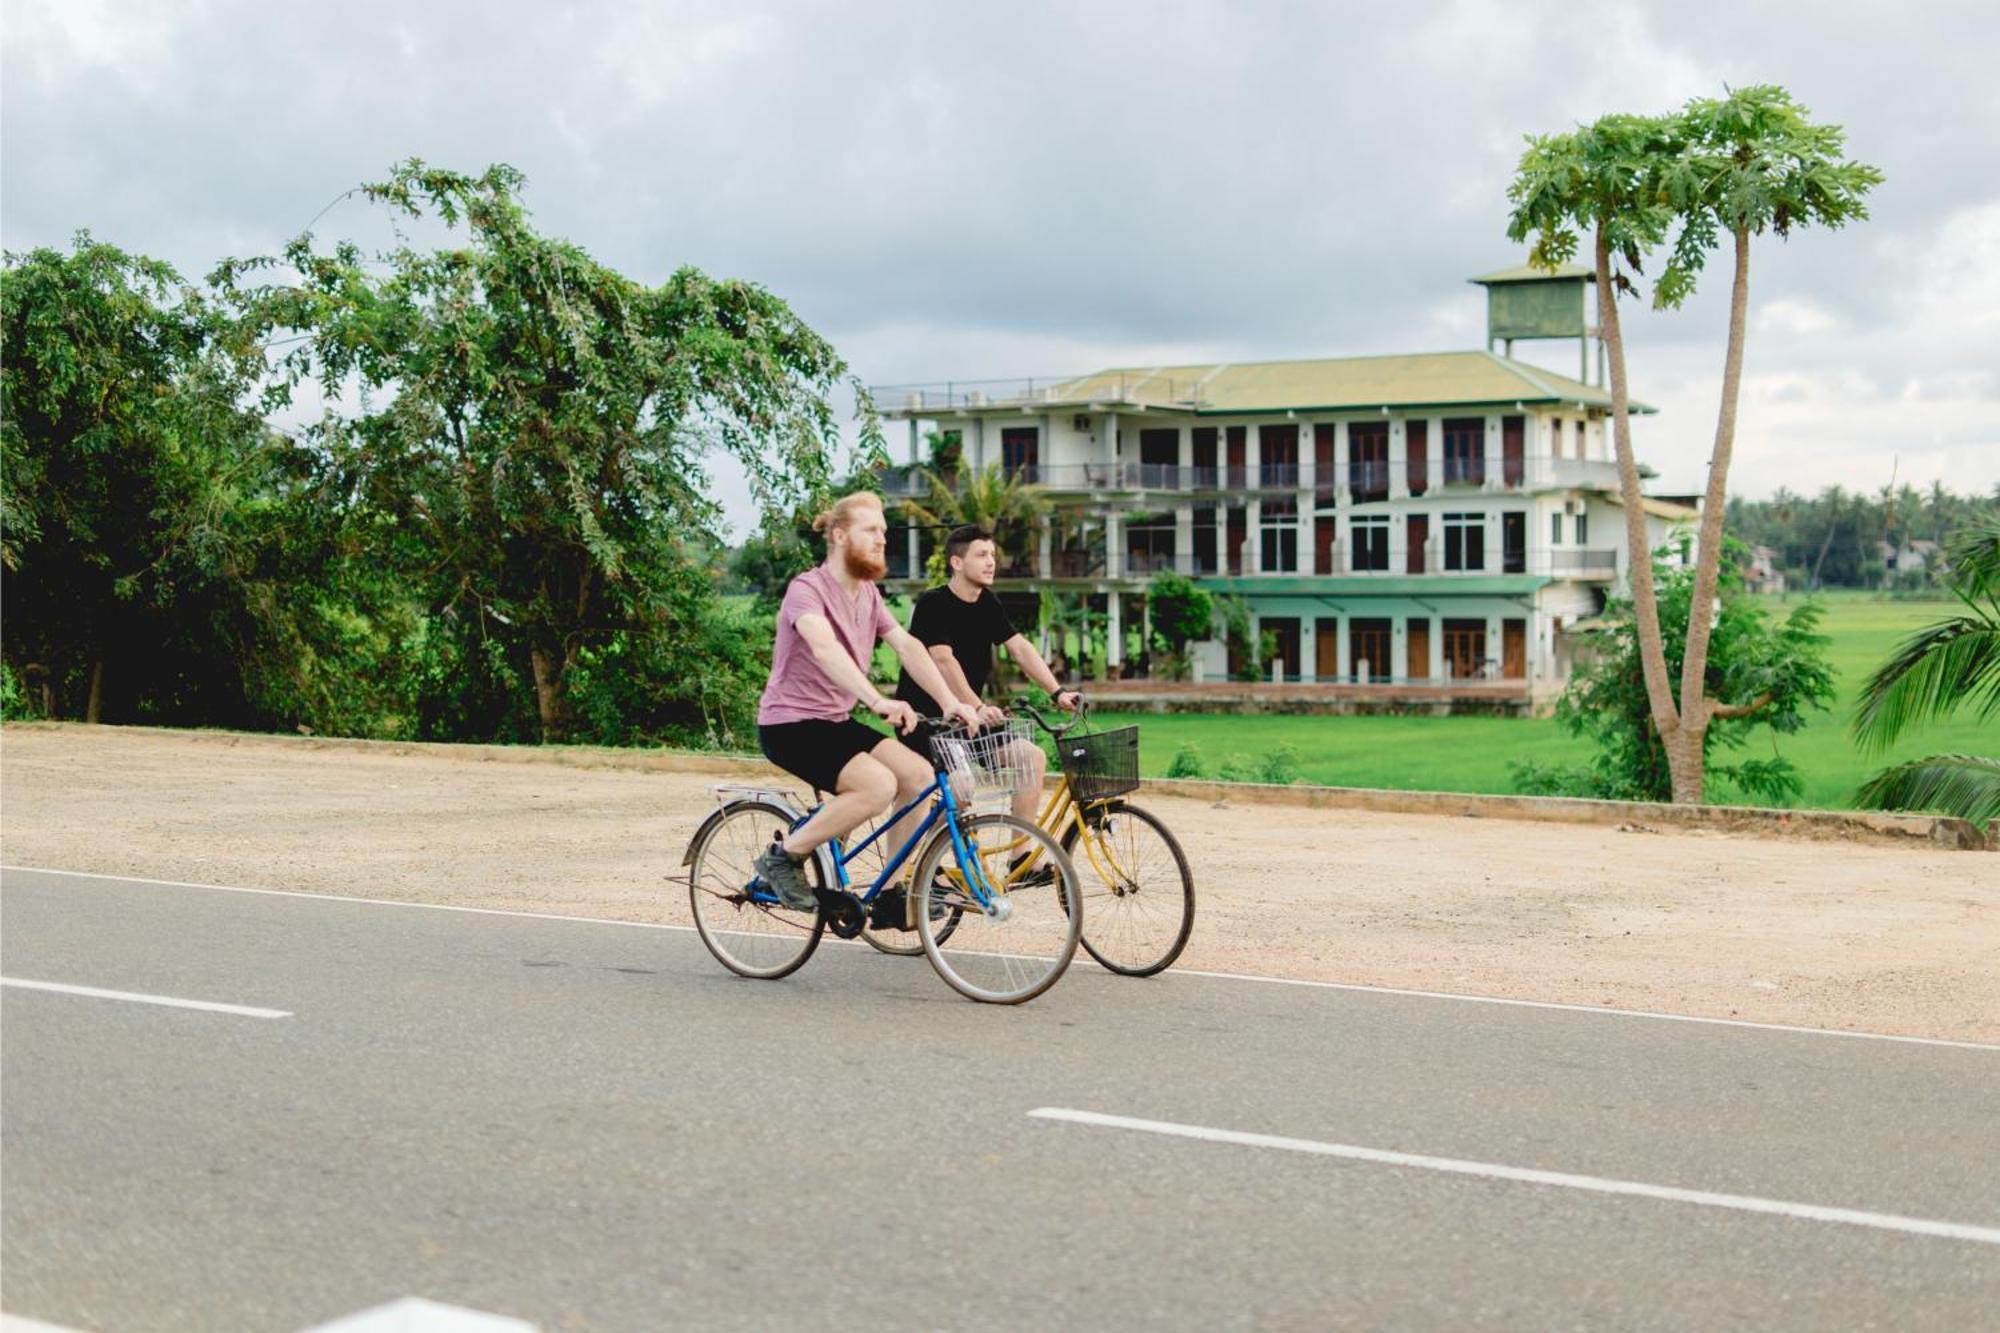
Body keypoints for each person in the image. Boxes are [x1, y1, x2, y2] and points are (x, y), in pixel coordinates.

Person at [754, 492, 980, 911]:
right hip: (790, 725)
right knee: (878, 785)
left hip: (834, 722)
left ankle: (893, 893)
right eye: (871, 530)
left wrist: (950, 701)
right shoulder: (807, 590)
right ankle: (782, 858)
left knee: (918, 776)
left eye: (884, 532)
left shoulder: (868, 594)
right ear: (840, 536)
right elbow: (823, 647)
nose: (882, 540)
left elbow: (909, 647)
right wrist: (876, 700)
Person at [894, 524, 1079, 828]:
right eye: (981, 555)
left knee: (1031, 758)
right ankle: (931, 865)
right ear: (957, 562)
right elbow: (943, 660)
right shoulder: (933, 603)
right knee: (962, 787)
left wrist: (1057, 692)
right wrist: (977, 706)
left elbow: (1019, 648)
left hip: (969, 719)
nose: (991, 562)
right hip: (926, 720)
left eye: (992, 555)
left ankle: (1021, 860)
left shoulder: (987, 602)